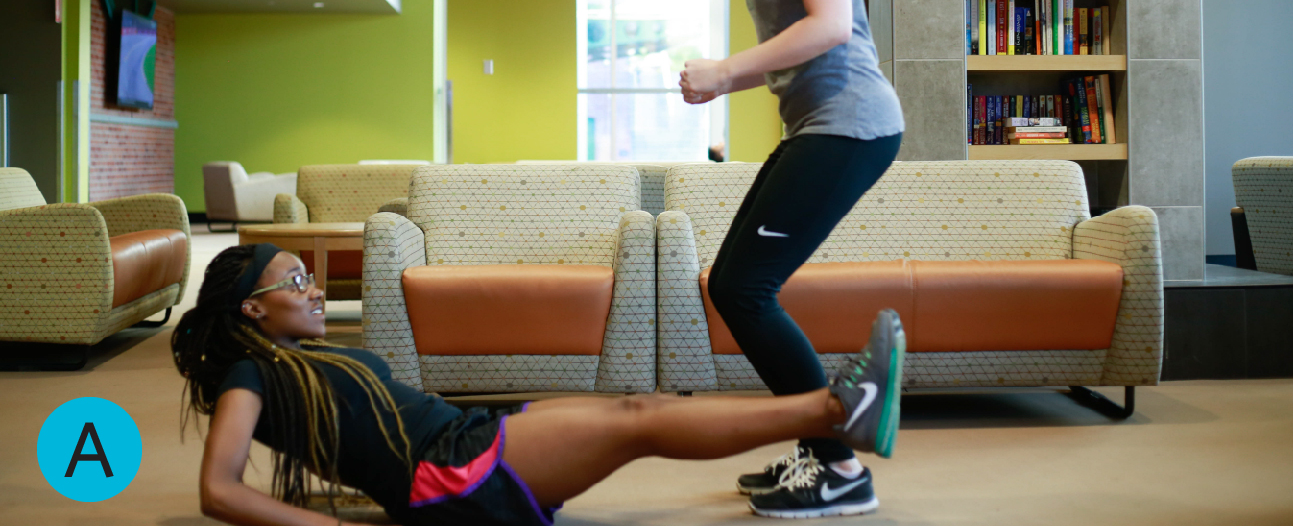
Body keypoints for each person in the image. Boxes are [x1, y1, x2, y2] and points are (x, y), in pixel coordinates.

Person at [174, 244, 903, 525]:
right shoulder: (250, 372)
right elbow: (219, 490)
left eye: (308, 276)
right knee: (639, 417)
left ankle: (839, 413)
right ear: (251, 309)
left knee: (637, 413)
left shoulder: (297, 363)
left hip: (463, 442)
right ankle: (839, 410)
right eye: (293, 281)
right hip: (450, 471)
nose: (311, 289)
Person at [677, 0, 907, 517]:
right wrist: (726, 84)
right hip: (822, 124)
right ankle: (820, 450)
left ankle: (838, 466)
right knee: (732, 284)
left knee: (743, 288)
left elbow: (832, 23)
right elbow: (803, 38)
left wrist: (724, 70)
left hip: (850, 122)